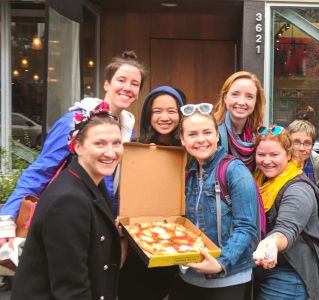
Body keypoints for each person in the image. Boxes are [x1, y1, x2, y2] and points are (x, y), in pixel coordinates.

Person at [0, 50, 146, 245]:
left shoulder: (128, 130)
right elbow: (42, 170)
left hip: (101, 223)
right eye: (121, 80)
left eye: (134, 84)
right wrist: (7, 218)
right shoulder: (74, 122)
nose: (127, 87)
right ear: (106, 83)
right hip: (67, 219)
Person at [11, 104, 123, 300]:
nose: (111, 152)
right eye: (100, 143)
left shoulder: (92, 181)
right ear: (77, 146)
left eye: (117, 143)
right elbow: (71, 290)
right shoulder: (68, 200)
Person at [170, 103, 258, 300]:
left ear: (217, 135)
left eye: (207, 132)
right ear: (183, 140)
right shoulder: (189, 174)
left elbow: (246, 227)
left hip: (229, 277)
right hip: (190, 276)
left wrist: (220, 263)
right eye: (192, 134)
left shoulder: (235, 171)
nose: (201, 140)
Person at [118, 85, 185, 300]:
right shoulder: (135, 148)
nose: (164, 117)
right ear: (148, 115)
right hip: (138, 242)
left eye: (171, 111)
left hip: (177, 241)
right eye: (157, 111)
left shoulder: (189, 150)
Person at [252, 126, 319, 300]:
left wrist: (271, 243)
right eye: (261, 154)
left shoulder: (298, 189)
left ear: (288, 155)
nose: (267, 161)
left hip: (289, 274)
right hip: (262, 266)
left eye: (274, 155)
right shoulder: (259, 179)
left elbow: (287, 227)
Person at [213, 71, 266, 172]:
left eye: (249, 96)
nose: (241, 102)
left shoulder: (259, 136)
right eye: (235, 94)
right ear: (225, 98)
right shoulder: (211, 133)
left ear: (256, 101)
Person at [288, 119, 319, 185]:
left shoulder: (318, 162)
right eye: (296, 142)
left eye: (307, 143)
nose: (302, 148)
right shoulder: (281, 162)